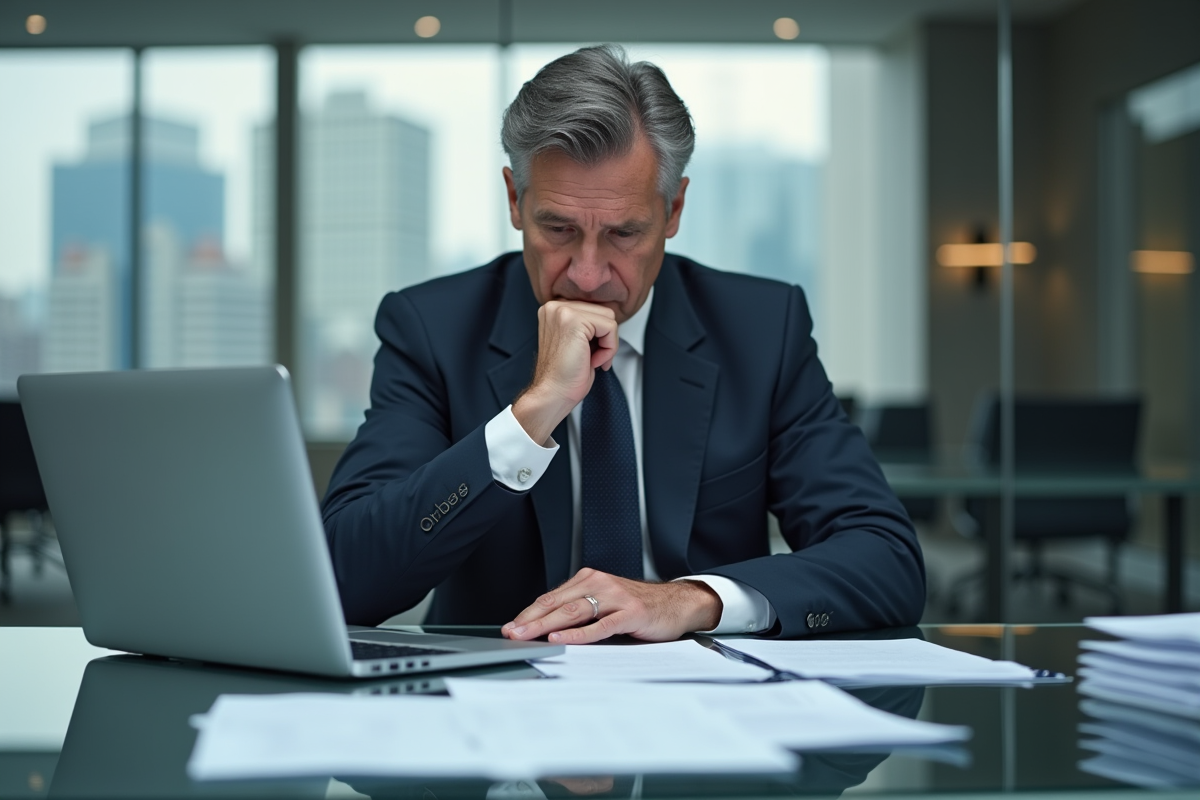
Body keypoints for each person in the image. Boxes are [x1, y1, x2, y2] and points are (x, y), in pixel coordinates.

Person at [321, 44, 925, 644]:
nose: (587, 273)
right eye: (558, 228)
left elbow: (885, 559)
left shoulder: (763, 329)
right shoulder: (431, 328)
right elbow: (346, 579)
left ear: (675, 209)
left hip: (710, 703)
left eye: (624, 233)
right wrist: (530, 414)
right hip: (499, 698)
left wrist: (694, 600)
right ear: (514, 199)